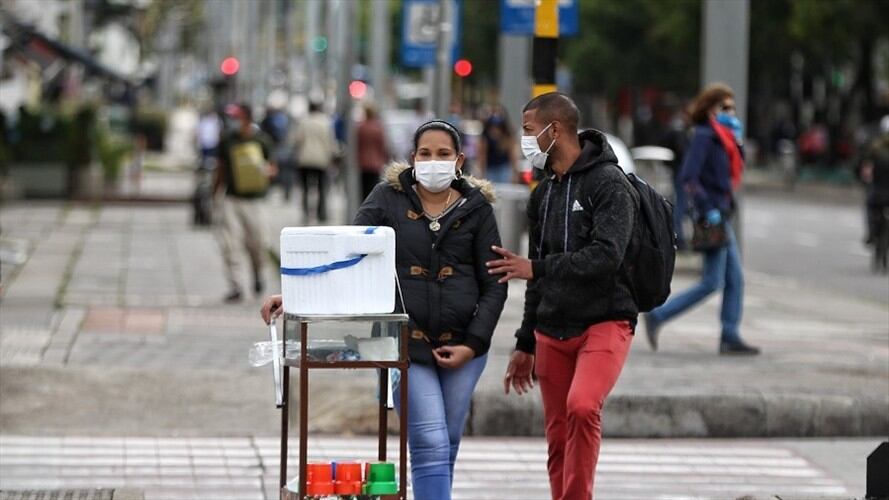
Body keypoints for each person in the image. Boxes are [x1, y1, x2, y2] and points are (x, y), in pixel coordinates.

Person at [261, 120, 507, 500]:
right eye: (425, 153)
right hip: (404, 344)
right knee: (429, 443)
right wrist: (294, 293)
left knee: (448, 442)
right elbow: (346, 254)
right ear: (412, 158)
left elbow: (495, 285)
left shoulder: (477, 210)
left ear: (459, 160)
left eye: (443, 154)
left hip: (466, 349)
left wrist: (473, 344)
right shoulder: (386, 198)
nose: (433, 162)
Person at [487, 92, 640, 500]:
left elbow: (607, 256)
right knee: (557, 435)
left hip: (606, 320)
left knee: (583, 406)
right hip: (552, 329)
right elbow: (534, 274)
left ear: (555, 130)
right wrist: (524, 342)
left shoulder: (609, 184)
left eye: (529, 131)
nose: (524, 142)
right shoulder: (543, 193)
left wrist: (536, 268)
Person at [643, 83, 760, 355]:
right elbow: (688, 176)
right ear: (711, 109)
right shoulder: (705, 136)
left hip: (723, 214)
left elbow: (736, 170)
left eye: (733, 108)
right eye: (725, 107)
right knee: (712, 282)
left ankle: (729, 334)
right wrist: (707, 208)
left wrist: (738, 140)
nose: (731, 112)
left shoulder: (724, 137)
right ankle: (660, 315)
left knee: (734, 279)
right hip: (712, 216)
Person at [214, 103, 276, 303]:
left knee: (258, 244)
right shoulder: (227, 141)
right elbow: (221, 168)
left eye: (237, 117)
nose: (233, 121)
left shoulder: (262, 141)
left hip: (255, 202)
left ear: (247, 118)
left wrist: (267, 173)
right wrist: (215, 194)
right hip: (232, 199)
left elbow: (273, 167)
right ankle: (236, 286)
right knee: (230, 244)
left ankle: (258, 272)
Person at [291, 101, 337, 222]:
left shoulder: (303, 122)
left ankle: (306, 214)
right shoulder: (325, 122)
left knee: (305, 189)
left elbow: (297, 139)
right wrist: (331, 156)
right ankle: (321, 214)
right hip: (321, 159)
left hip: (305, 159)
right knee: (322, 188)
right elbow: (329, 141)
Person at [859, 115, 889, 247]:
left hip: (877, 191)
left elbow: (865, 167)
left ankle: (871, 234)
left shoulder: (875, 148)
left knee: (869, 206)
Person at [356, 104, 390, 200]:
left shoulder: (361, 128)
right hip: (375, 163)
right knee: (373, 189)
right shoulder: (378, 128)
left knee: (363, 190)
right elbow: (382, 145)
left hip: (362, 163)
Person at [477, 110, 519, 184]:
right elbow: (482, 155)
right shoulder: (486, 137)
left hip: (504, 168)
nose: (495, 130)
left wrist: (515, 172)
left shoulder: (507, 137)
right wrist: (482, 172)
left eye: (498, 127)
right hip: (490, 169)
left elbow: (512, 155)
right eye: (493, 127)